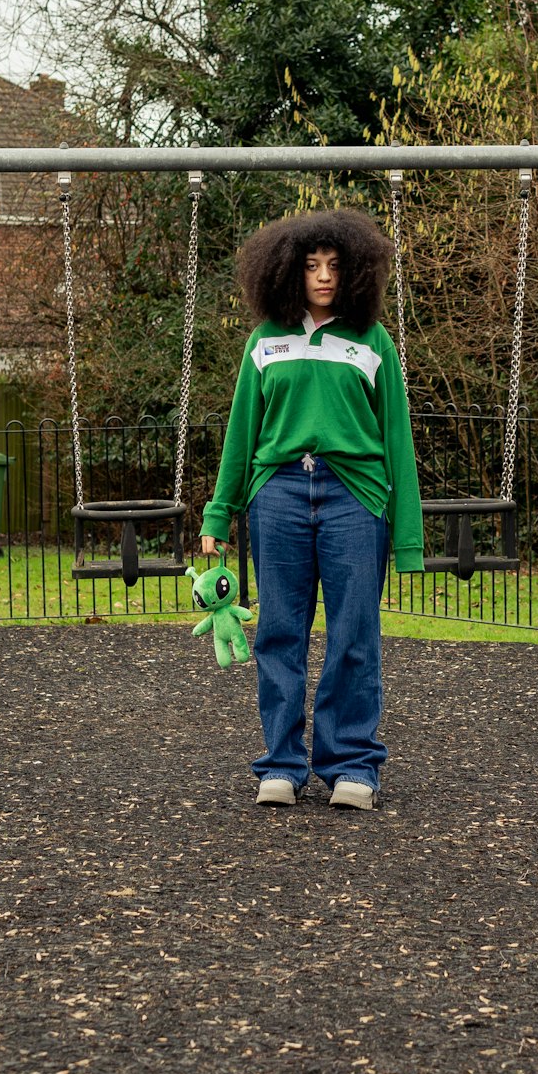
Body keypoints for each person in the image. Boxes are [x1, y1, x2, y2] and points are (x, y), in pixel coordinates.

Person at [199, 209, 423, 810]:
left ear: (353, 272)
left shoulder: (373, 341)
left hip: (356, 495)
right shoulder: (264, 341)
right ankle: (281, 763)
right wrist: (218, 517)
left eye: (334, 265)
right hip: (278, 497)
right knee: (279, 631)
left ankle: (352, 765)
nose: (323, 276)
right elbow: (241, 434)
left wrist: (408, 540)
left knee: (354, 633)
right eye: (310, 265)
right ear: (287, 272)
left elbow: (397, 440)